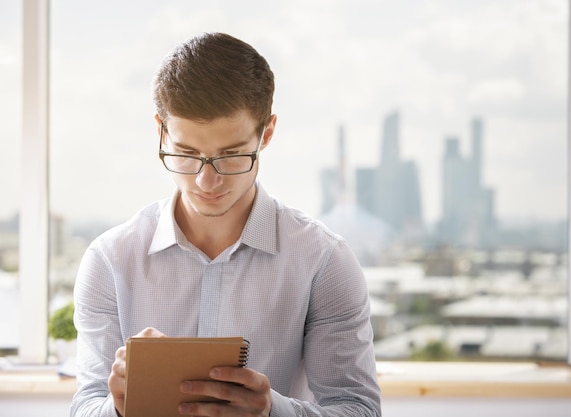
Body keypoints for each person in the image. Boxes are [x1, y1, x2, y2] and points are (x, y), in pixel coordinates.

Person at [70, 32, 381, 417]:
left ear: (266, 134)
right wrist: (116, 409)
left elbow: (358, 409)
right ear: (161, 132)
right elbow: (85, 407)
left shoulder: (323, 260)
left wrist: (272, 412)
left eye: (231, 156)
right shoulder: (109, 259)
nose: (206, 182)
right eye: (186, 153)